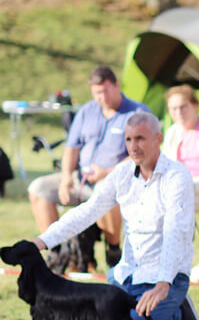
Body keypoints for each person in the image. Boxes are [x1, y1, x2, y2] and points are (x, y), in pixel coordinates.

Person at [31, 112, 199, 320]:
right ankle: (168, 311)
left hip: (165, 278)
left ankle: (178, 315)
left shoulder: (177, 176)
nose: (133, 146)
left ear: (158, 138)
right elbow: (87, 211)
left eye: (140, 138)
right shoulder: (121, 174)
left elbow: (177, 231)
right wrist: (42, 241)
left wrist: (164, 284)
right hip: (125, 276)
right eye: (129, 140)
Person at [28, 65, 150, 269]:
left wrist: (107, 173)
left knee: (109, 191)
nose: (101, 97)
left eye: (105, 91)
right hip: (80, 177)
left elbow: (143, 154)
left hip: (115, 178)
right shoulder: (86, 111)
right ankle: (57, 253)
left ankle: (113, 251)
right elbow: (71, 148)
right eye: (96, 93)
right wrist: (66, 178)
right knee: (37, 189)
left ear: (117, 86)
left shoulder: (137, 113)